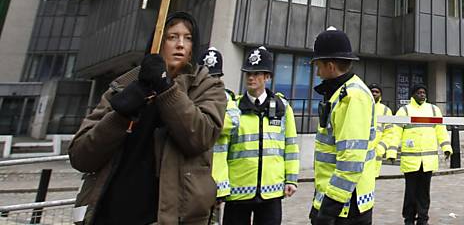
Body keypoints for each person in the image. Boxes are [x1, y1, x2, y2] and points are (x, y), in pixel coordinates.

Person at [69, 12, 226, 225]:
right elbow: (81, 156)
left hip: (167, 216)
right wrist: (119, 116)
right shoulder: (123, 85)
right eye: (172, 37)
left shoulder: (207, 86)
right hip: (110, 211)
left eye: (187, 38)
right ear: (157, 42)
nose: (180, 44)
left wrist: (166, 88)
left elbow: (199, 137)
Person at [222, 46, 300, 225]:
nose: (251, 77)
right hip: (238, 190)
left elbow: (291, 146)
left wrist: (292, 179)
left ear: (267, 76)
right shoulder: (233, 108)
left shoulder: (282, 108)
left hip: (270, 191)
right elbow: (222, 149)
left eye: (257, 73)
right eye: (248, 73)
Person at [310, 27, 378, 225]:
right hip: (339, 201)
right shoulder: (341, 93)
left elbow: (350, 160)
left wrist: (328, 211)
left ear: (330, 66)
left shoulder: (352, 97)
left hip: (345, 206)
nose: (317, 72)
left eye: (318, 65)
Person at [384, 83, 453, 225]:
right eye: (419, 92)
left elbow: (441, 130)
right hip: (411, 161)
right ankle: (409, 219)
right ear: (413, 94)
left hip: (428, 161)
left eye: (424, 92)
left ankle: (423, 219)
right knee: (410, 193)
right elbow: (395, 133)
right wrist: (391, 152)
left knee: (424, 193)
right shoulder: (404, 110)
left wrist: (446, 147)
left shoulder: (434, 110)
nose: (422, 94)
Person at [203, 46, 240, 223]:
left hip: (217, 178)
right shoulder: (192, 94)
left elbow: (232, 123)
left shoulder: (227, 98)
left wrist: (203, 120)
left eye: (214, 77)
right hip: (193, 178)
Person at [370, 83, 394, 160]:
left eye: (377, 92)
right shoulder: (360, 107)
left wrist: (380, 149)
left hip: (376, 153)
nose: (374, 93)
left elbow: (389, 133)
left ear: (380, 95)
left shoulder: (386, 110)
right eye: (372, 91)